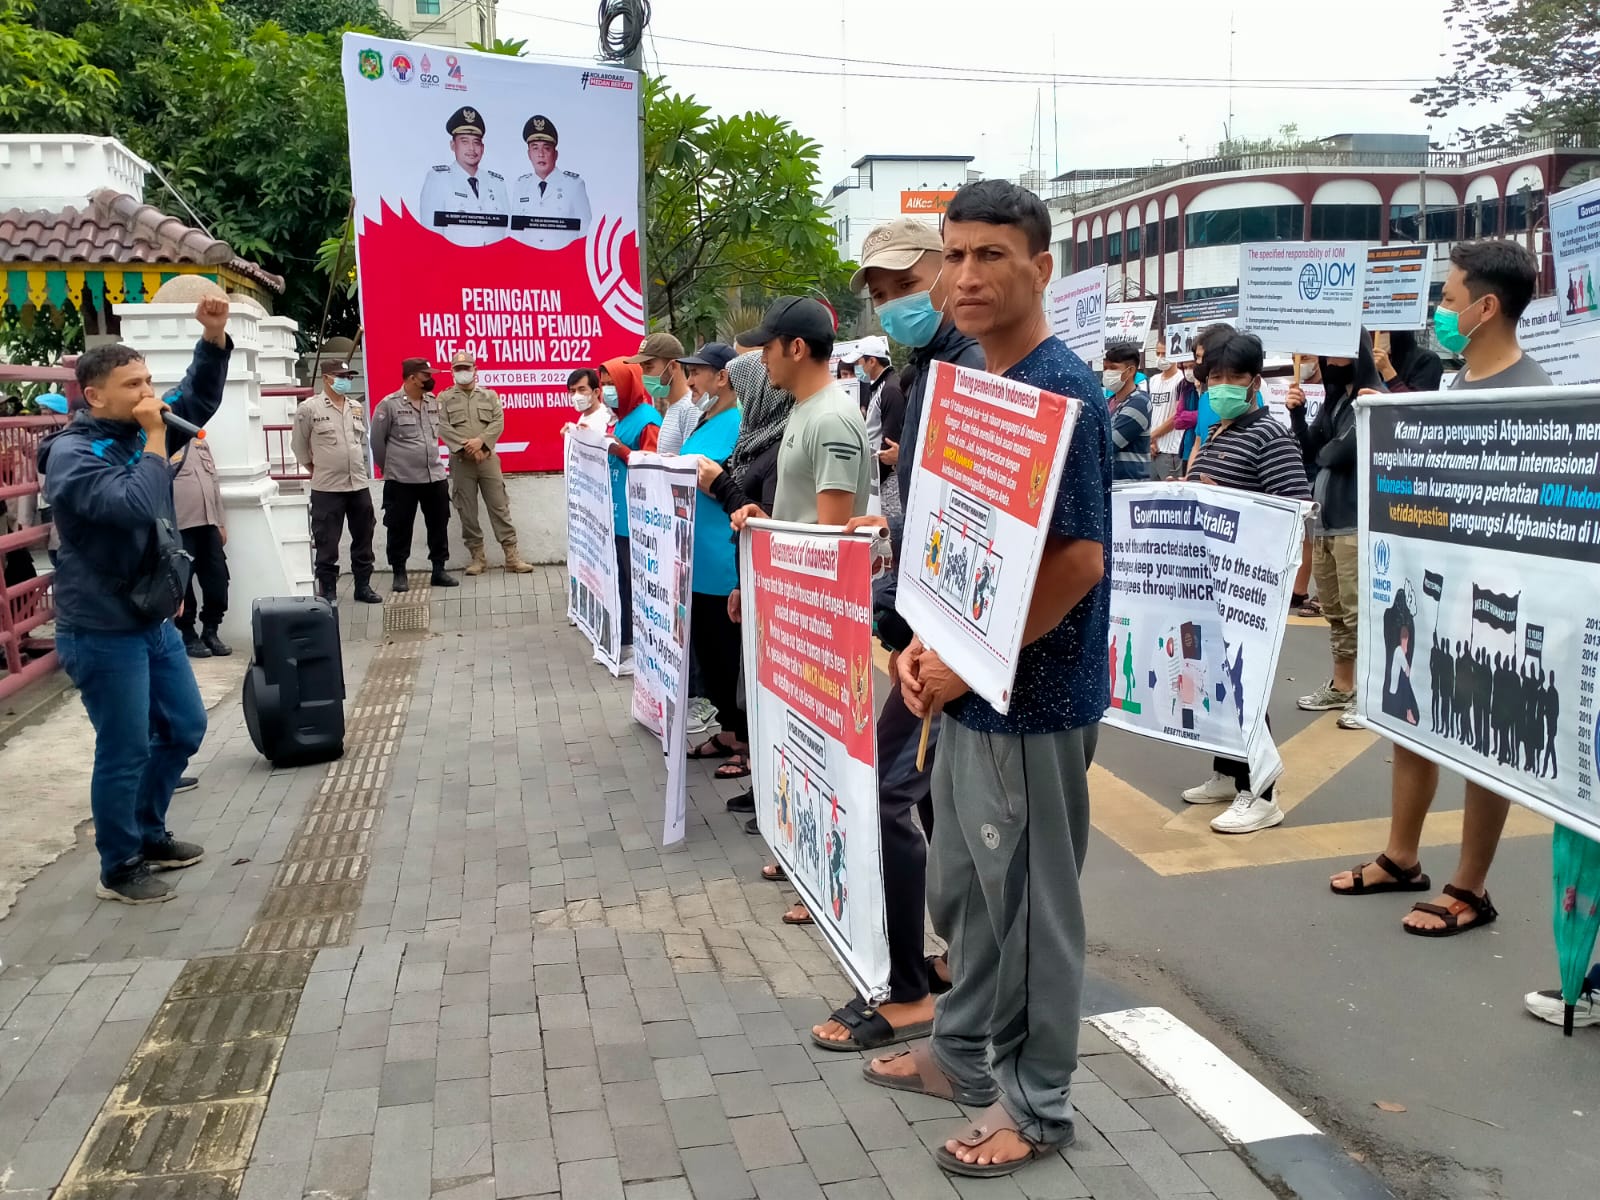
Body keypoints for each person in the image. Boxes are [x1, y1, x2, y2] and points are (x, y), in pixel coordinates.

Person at [865, 180, 1112, 1178]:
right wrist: (923, 649)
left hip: (1031, 706)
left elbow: (1076, 562)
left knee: (1025, 917)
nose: (964, 276)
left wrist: (962, 667)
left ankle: (1037, 1106)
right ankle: (962, 1051)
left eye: (990, 255)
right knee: (966, 893)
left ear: (1040, 268)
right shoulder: (973, 380)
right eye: (953, 254)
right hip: (965, 687)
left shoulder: (1064, 391)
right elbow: (957, 543)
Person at [1329, 239, 1551, 941]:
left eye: (1450, 299)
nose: (1440, 312)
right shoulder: (1450, 389)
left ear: (1487, 308)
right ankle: (1402, 856)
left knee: (1485, 734)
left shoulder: (1537, 398)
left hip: (1493, 602)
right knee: (1412, 714)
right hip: (1431, 592)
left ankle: (1471, 885)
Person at [808, 215, 984, 1054]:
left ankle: (913, 986)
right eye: (880, 296)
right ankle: (947, 960)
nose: (895, 306)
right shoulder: (925, 373)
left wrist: (935, 627)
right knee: (938, 800)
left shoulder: (980, 370)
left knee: (891, 790)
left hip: (966, 639)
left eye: (906, 287)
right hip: (931, 624)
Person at [39, 296, 231, 904]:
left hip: (151, 617)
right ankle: (118, 865)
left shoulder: (139, 429)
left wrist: (213, 336)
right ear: (95, 395)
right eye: (133, 383)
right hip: (100, 627)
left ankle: (149, 833)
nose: (149, 392)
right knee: (123, 748)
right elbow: (132, 505)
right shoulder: (74, 454)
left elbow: (195, 400)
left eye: (148, 379)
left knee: (182, 728)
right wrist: (154, 437)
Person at [1179, 332, 1311, 833]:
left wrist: (1225, 500)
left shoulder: (1269, 435)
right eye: (1215, 378)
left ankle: (1262, 792)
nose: (1223, 386)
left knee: (1244, 685)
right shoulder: (1219, 433)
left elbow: (1293, 509)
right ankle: (1227, 772)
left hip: (1246, 586)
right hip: (1209, 583)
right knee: (1216, 683)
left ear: (1255, 382)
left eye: (1235, 378)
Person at [1289, 334, 1382, 730]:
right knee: (1337, 613)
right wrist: (1297, 414)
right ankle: (1342, 686)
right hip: (1326, 523)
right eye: (1328, 349)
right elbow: (1312, 451)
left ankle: (1373, 699)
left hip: (1355, 523)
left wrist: (1324, 448)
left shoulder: (1371, 396)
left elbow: (1337, 454)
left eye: (1340, 347)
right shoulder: (1335, 401)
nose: (1329, 357)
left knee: (1361, 614)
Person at [730, 297, 870, 530]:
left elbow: (833, 539)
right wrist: (767, 523)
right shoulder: (806, 407)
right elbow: (807, 522)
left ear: (796, 349)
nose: (763, 359)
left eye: (767, 348)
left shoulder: (830, 419)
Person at [677, 343, 749, 778]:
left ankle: (742, 740)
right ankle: (725, 729)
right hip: (696, 560)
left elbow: (730, 483)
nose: (690, 382)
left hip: (722, 559)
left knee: (727, 654)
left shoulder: (738, 423)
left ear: (722, 377)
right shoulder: (704, 420)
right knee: (707, 647)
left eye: (697, 373)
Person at [436, 350, 533, 577]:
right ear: (452, 372)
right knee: (466, 510)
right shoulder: (445, 398)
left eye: (466, 368)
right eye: (458, 369)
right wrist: (467, 447)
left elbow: (498, 422)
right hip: (461, 462)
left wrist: (481, 443)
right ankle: (477, 558)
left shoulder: (489, 396)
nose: (463, 373)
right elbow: (442, 427)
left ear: (475, 370)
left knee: (499, 506)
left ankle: (512, 556)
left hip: (488, 459)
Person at [293, 359, 381, 605]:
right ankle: (328, 591)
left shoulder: (355, 407)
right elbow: (299, 447)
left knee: (364, 536)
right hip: (327, 487)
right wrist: (315, 468)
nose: (346, 380)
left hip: (358, 484)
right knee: (327, 541)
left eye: (349, 376)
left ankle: (363, 586)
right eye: (341, 376)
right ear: (327, 378)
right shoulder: (309, 409)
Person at [370, 357, 459, 593]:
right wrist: (390, 469)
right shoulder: (388, 405)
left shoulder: (432, 401)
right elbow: (377, 442)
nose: (431, 379)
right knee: (399, 527)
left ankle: (439, 569)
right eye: (426, 376)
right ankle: (399, 573)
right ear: (412, 378)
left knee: (439, 523)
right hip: (402, 480)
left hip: (434, 476)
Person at [599, 355, 661, 667]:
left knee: (631, 582)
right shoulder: (619, 418)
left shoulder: (647, 418)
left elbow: (650, 463)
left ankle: (634, 644)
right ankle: (622, 641)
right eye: (604, 385)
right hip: (616, 514)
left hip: (635, 516)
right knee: (620, 581)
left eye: (613, 384)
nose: (608, 390)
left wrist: (620, 450)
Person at [171, 431, 230, 657]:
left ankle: (211, 631)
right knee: (182, 585)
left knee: (218, 580)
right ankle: (188, 635)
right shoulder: (161, 443)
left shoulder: (200, 442)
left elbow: (214, 483)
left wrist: (220, 522)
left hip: (208, 524)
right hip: (179, 527)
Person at [419, 106, 508, 247]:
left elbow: (505, 232)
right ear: (453, 145)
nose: (472, 149)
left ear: (483, 148)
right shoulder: (438, 179)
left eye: (476, 142)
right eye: (465, 141)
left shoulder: (497, 183)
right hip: (454, 265)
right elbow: (431, 237)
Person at [509, 114, 589, 251]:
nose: (541, 154)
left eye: (546, 148)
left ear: (555, 154)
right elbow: (515, 232)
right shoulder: (521, 186)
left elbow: (585, 233)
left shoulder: (574, 185)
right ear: (529, 154)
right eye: (535, 148)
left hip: (562, 264)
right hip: (528, 264)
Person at [856, 334, 907, 528]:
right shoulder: (878, 388)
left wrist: (875, 478)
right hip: (877, 475)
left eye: (860, 362)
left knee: (886, 534)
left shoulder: (890, 389)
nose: (858, 367)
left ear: (872, 361)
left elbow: (889, 440)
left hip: (887, 478)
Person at [629, 333, 697, 455]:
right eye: (642, 368)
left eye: (649, 368)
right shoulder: (674, 406)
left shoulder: (691, 408)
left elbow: (691, 464)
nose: (644, 375)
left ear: (673, 366)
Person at [1104, 339, 1151, 481]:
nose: (1107, 373)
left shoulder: (1139, 403)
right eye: (1105, 368)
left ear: (1130, 371)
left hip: (1129, 486)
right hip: (1112, 484)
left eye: (1113, 368)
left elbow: (1109, 445)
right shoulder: (1109, 402)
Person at [1146, 354, 1185, 479]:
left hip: (1171, 450)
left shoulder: (1182, 380)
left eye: (1165, 354)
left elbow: (1176, 417)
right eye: (1158, 353)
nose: (1161, 357)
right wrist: (1150, 441)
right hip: (1153, 449)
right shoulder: (1153, 380)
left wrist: (1152, 436)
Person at [1372, 329, 1444, 393]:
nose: (1375, 337)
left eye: (1382, 332)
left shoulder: (1427, 360)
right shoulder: (1368, 363)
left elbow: (1416, 405)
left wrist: (1387, 370)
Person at [564, 367, 611, 435]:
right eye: (573, 391)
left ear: (596, 392)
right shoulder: (584, 416)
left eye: (582, 389)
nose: (577, 395)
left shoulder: (606, 417)